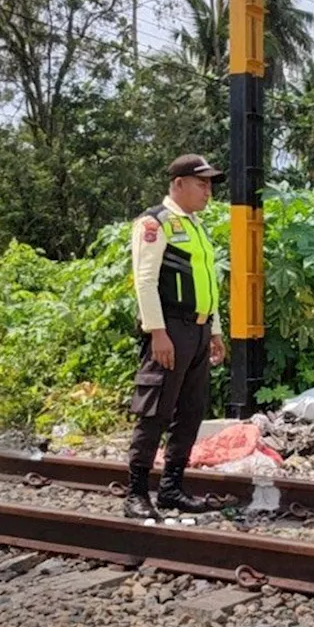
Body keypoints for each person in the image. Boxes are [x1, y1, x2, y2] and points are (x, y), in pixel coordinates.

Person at [123, 154, 227, 519]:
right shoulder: (155, 223)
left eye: (211, 184)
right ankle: (136, 494)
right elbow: (145, 281)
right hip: (170, 329)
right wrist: (157, 333)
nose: (208, 191)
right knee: (155, 412)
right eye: (202, 184)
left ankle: (171, 488)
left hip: (197, 330)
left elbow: (207, 283)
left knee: (191, 412)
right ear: (178, 184)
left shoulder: (195, 226)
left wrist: (214, 330)